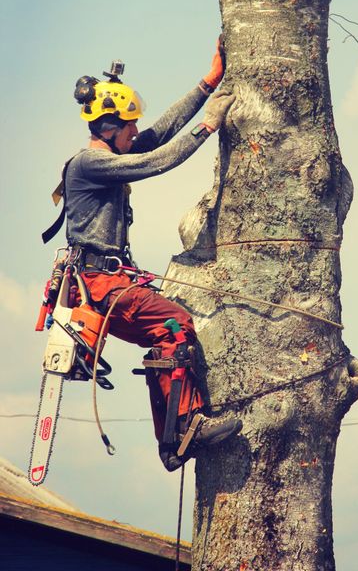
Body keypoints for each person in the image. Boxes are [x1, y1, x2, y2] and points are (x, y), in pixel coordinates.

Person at [57, 41, 242, 471]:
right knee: (175, 325)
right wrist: (209, 125)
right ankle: (183, 428)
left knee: (168, 332)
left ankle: (172, 440)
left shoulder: (110, 156)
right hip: (102, 287)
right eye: (129, 127)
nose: (135, 133)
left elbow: (157, 136)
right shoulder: (88, 165)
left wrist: (206, 85)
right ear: (107, 126)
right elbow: (159, 159)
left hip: (113, 282)